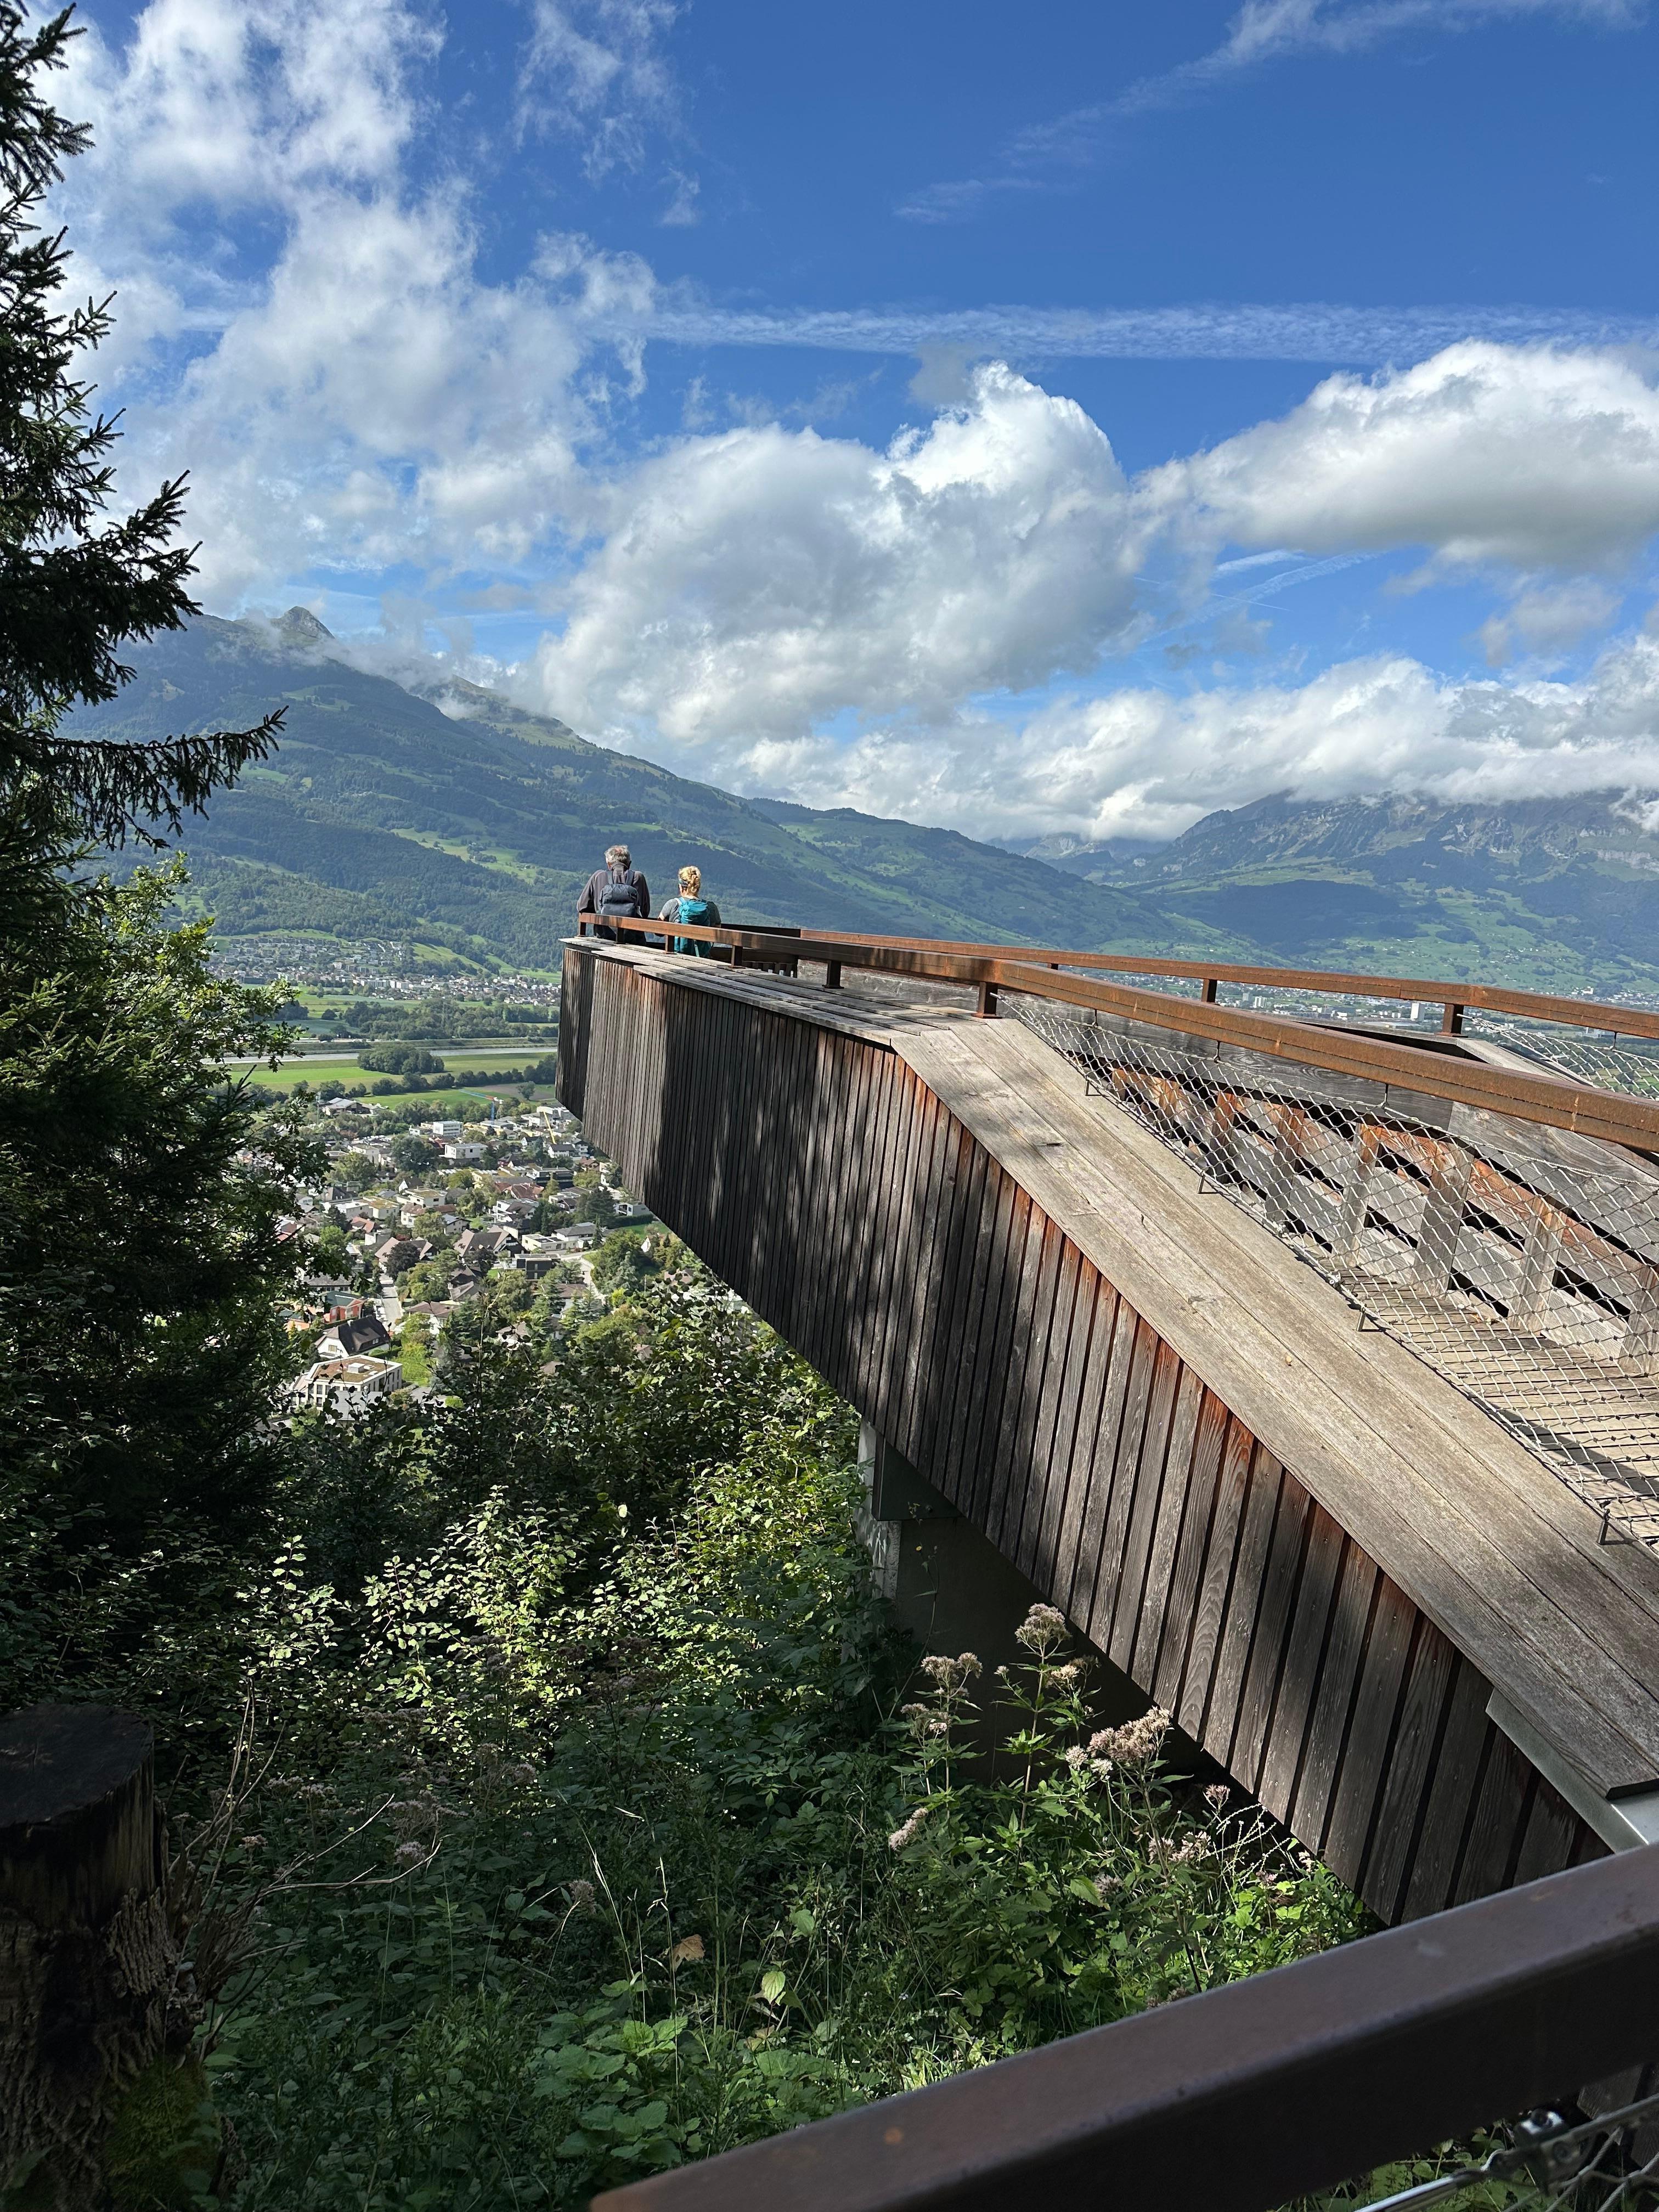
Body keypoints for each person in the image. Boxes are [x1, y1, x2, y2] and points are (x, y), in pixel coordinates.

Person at [577, 844, 650, 940]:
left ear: (608, 863)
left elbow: (582, 907)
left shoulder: (598, 876)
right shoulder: (638, 877)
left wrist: (600, 911)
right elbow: (645, 911)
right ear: (629, 864)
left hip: (603, 938)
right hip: (633, 939)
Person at [658, 865, 721, 956]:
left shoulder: (673, 904)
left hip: (676, 957)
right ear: (698, 886)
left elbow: (658, 932)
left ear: (681, 886)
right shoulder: (711, 907)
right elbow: (717, 933)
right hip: (702, 959)